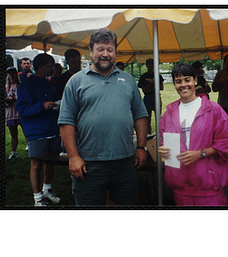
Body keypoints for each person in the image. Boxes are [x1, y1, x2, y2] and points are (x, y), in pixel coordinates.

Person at [58, 28, 148, 206]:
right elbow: (66, 121)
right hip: (88, 163)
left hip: (125, 161)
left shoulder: (128, 80)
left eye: (110, 49)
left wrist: (141, 147)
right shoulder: (76, 81)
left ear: (115, 52)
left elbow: (140, 115)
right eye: (100, 49)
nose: (105, 54)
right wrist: (73, 157)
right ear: (91, 51)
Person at [158, 63, 228, 206]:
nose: (183, 85)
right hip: (181, 188)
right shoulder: (169, 113)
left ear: (195, 81)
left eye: (187, 79)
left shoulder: (213, 110)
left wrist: (201, 153)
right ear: (174, 84)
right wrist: (163, 151)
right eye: (178, 81)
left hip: (209, 188)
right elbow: (163, 141)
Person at [16, 53, 62, 207]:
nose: (53, 68)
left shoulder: (51, 84)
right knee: (36, 165)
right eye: (50, 66)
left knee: (51, 162)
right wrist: (42, 106)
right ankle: (38, 199)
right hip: (36, 131)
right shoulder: (26, 85)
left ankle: (47, 189)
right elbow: (22, 109)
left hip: (53, 129)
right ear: (41, 66)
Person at [138, 58, 164, 134]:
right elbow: (144, 90)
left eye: (152, 63)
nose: (150, 65)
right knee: (147, 119)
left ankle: (159, 135)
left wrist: (149, 87)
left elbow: (161, 87)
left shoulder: (158, 75)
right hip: (147, 98)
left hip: (156, 98)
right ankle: (148, 135)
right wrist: (155, 87)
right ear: (146, 65)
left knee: (158, 119)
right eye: (148, 64)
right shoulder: (143, 76)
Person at [5, 66, 23, 161]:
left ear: (16, 74)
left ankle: (30, 146)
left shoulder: (21, 86)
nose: (11, 75)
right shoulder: (6, 87)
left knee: (26, 131)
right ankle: (13, 152)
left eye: (13, 73)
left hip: (20, 112)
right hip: (11, 113)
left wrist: (16, 99)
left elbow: (24, 99)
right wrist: (8, 101)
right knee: (13, 134)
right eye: (9, 73)